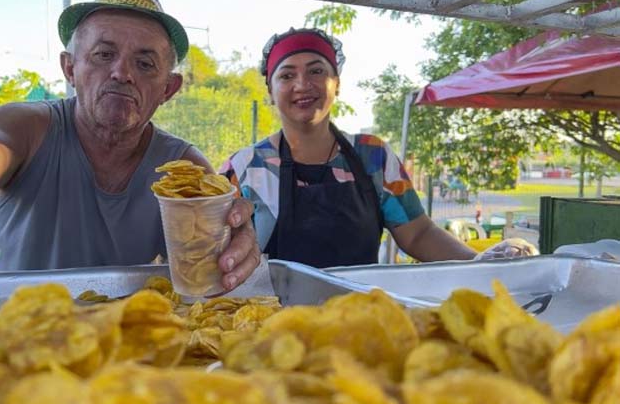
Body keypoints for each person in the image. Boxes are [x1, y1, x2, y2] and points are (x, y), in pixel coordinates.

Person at [0, 0, 261, 291]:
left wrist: (233, 247)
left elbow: (214, 259)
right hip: (5, 341)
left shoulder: (184, 168)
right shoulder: (27, 127)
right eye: (103, 55)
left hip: (119, 355)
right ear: (69, 68)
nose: (122, 73)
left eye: (145, 63)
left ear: (168, 88)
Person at [221, 27, 531, 268]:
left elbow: (419, 234)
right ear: (271, 92)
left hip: (361, 323)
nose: (303, 84)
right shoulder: (245, 168)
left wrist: (478, 264)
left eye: (317, 71)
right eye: (287, 75)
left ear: (336, 83)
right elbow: (216, 251)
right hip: (271, 329)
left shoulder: (373, 156)